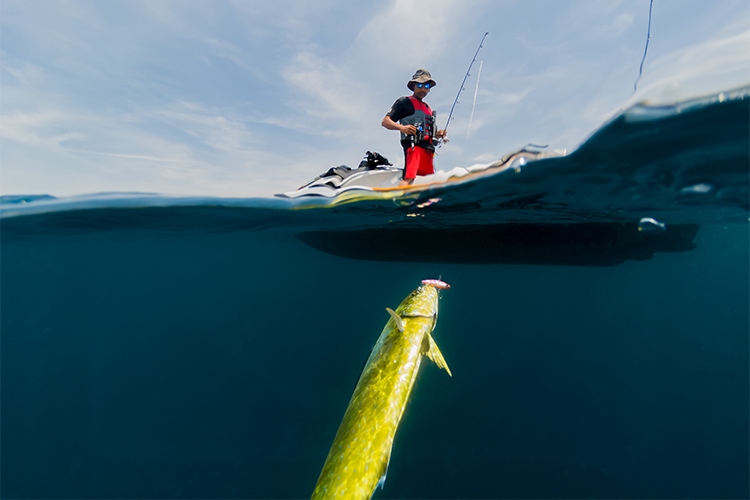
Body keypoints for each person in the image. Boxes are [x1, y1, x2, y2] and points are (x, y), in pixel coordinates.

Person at [382, 69, 448, 187]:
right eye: (420, 85)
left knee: (429, 182)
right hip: (414, 148)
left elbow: (430, 131)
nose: (423, 89)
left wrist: (439, 133)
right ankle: (400, 201)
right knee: (409, 177)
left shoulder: (427, 107)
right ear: (413, 85)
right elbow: (385, 122)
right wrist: (402, 128)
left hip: (428, 151)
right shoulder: (404, 102)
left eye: (426, 85)